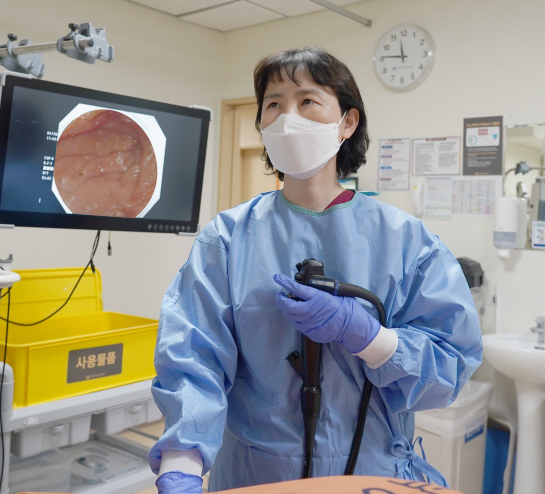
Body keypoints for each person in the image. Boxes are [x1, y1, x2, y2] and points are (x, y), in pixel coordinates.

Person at [150, 47, 482, 493]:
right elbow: (193, 359)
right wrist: (181, 463)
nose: (289, 117)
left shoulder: (406, 241)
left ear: (347, 122)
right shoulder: (227, 239)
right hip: (255, 476)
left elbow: (450, 368)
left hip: (368, 474)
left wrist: (370, 338)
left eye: (307, 100)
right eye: (274, 104)